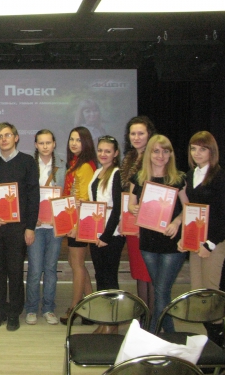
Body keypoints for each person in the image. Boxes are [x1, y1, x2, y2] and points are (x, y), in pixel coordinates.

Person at [0, 122, 39, 332]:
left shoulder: (27, 162)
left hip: (18, 228)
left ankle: (14, 313)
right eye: (0, 136)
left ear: (16, 137)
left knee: (15, 270)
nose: (3, 139)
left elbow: (33, 196)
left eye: (7, 135)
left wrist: (30, 227)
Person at [178, 131, 225, 345]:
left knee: (210, 292)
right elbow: (190, 210)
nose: (197, 153)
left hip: (215, 241)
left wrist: (209, 244)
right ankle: (212, 338)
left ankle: (219, 342)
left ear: (212, 151)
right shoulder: (190, 175)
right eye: (193, 149)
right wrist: (185, 237)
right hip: (196, 241)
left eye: (202, 149)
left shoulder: (221, 177)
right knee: (198, 293)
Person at [128, 134, 188, 334]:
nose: (160, 155)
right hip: (148, 243)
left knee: (161, 291)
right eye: (156, 151)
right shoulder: (139, 178)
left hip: (172, 242)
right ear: (149, 154)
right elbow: (130, 205)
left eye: (165, 151)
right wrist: (135, 209)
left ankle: (151, 334)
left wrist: (177, 222)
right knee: (160, 290)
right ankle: (170, 335)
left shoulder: (178, 178)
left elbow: (188, 208)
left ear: (170, 154)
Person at [25, 129, 65, 326]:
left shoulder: (63, 166)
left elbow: (66, 195)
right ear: (36, 145)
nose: (45, 146)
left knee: (50, 269)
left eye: (48, 142)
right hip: (36, 225)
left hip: (55, 226)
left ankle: (48, 308)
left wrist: (63, 218)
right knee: (35, 269)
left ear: (54, 143)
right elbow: (24, 196)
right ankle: (31, 308)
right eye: (41, 143)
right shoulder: (29, 166)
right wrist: (31, 219)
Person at [119, 116, 158, 314]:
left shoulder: (154, 158)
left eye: (141, 133)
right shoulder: (129, 158)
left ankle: (151, 317)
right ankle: (144, 313)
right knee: (139, 270)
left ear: (149, 134)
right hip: (132, 222)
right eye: (133, 133)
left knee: (148, 272)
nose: (136, 137)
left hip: (149, 223)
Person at [59, 126, 97, 326]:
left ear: (86, 143)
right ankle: (89, 307)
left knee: (77, 265)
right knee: (77, 264)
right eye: (71, 139)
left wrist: (77, 225)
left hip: (80, 222)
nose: (74, 143)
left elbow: (85, 199)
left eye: (79, 140)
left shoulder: (85, 167)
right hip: (73, 220)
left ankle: (75, 308)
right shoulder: (75, 163)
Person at [88, 135, 125, 334]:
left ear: (115, 153)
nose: (103, 154)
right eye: (100, 150)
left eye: (108, 151)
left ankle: (113, 324)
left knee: (110, 278)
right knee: (100, 277)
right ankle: (104, 321)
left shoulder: (117, 174)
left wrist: (106, 236)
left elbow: (117, 208)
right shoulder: (97, 172)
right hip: (95, 232)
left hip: (111, 235)